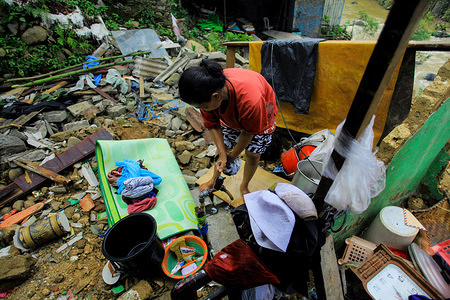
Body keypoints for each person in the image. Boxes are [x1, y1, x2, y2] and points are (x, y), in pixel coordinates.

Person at [179, 59, 278, 197]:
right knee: (223, 149)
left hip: (261, 112)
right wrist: (223, 154)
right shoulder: (207, 91)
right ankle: (213, 180)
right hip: (233, 108)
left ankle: (244, 186)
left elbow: (249, 132)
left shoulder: (251, 102)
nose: (201, 110)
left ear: (216, 97)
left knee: (254, 155)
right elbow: (213, 125)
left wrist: (233, 155)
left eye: (202, 107)